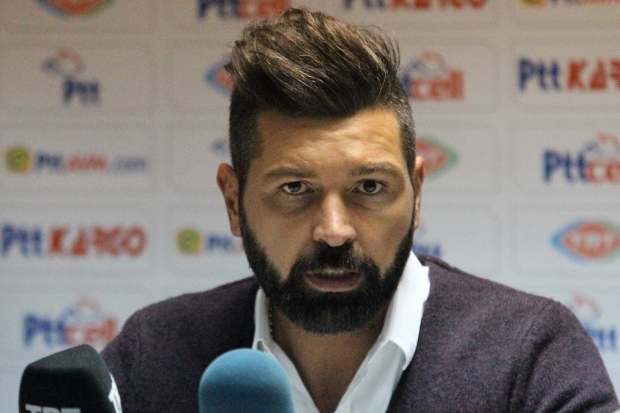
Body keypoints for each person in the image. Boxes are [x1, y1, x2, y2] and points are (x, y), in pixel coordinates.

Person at [101, 8, 619, 413]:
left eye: (369, 187)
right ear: (234, 202)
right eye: (295, 188)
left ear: (417, 192)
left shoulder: (530, 355)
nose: (334, 231)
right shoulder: (154, 356)